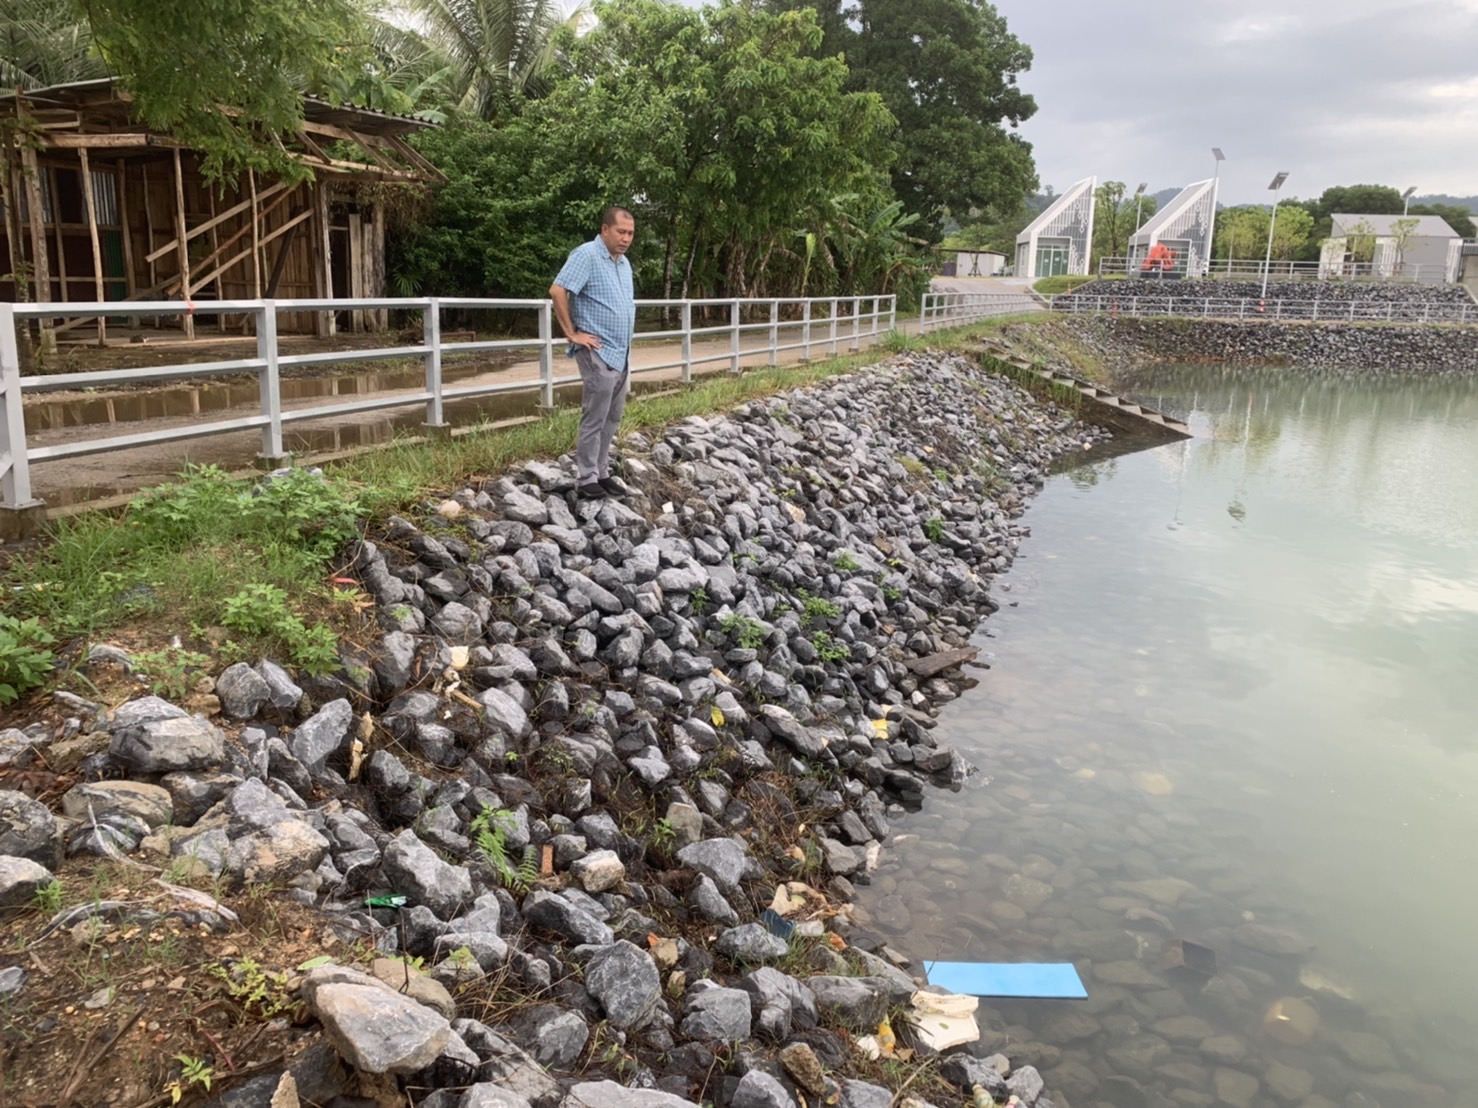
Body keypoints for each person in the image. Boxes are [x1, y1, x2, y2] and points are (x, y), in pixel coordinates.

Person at [550, 206, 637, 500]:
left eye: (630, 233)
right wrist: (571, 332)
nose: (626, 238)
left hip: (620, 352)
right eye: (620, 232)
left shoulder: (623, 263)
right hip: (597, 351)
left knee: (612, 416)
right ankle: (586, 476)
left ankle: (601, 471)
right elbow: (558, 290)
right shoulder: (586, 254)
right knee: (595, 416)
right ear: (604, 230)